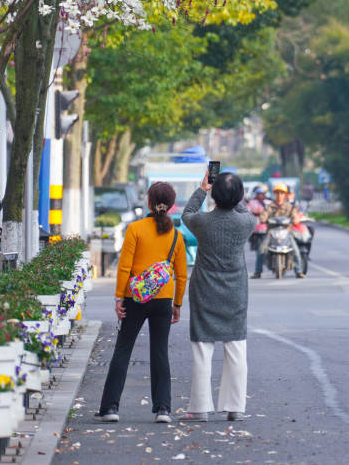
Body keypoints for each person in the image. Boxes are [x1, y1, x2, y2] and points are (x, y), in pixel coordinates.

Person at [96, 182, 188, 424]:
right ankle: (163, 409)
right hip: (163, 299)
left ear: (149, 202)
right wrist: (177, 303)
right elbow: (181, 274)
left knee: (123, 350)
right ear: (171, 205)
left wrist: (119, 297)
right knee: (160, 352)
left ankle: (110, 408)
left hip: (134, 298)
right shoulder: (176, 235)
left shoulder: (135, 229)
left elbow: (125, 266)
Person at [181, 170, 258, 422]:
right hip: (235, 290)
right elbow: (244, 211)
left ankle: (200, 408)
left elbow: (186, 214)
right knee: (236, 347)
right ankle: (235, 407)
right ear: (240, 196)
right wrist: (236, 197)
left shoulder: (201, 222)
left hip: (204, 288)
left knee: (202, 348)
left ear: (214, 195)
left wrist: (203, 189)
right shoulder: (246, 223)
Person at [252, 183, 304, 278]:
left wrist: (296, 220)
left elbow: (295, 216)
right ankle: (257, 272)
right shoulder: (269, 206)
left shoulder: (289, 207)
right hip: (271, 232)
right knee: (261, 249)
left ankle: (299, 271)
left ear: (285, 195)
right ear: (274, 194)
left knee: (296, 251)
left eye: (281, 193)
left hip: (286, 232)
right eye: (277, 193)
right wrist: (262, 219)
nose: (279, 195)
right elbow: (263, 215)